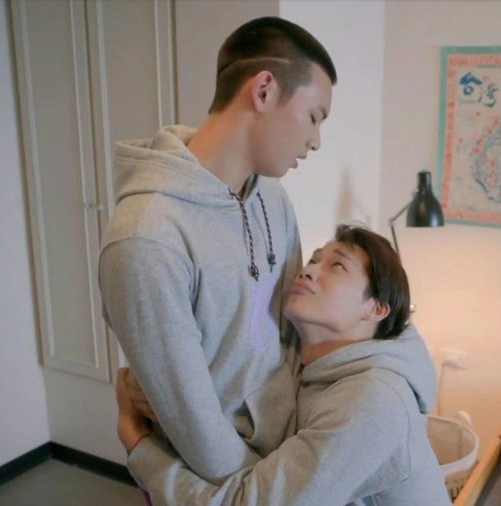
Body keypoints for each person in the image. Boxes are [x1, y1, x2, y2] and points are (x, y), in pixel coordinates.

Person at [99, 16, 336, 485]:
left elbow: (294, 335)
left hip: (288, 460)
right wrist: (268, 492)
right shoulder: (146, 238)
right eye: (314, 116)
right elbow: (197, 430)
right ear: (263, 90)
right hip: (220, 487)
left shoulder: (272, 196)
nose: (316, 141)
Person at [116, 225, 452, 506]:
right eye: (314, 259)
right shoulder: (307, 366)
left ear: (376, 309)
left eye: (337, 266)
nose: (309, 270)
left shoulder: (372, 401)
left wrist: (139, 445)